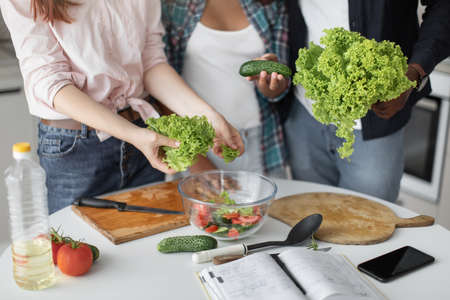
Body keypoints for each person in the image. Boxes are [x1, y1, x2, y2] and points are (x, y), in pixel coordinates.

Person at [0, 0, 244, 213]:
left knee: (148, 247)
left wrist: (208, 116)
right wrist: (135, 135)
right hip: (77, 149)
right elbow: (48, 81)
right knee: (79, 253)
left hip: (143, 136)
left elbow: (151, 62)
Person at [284, 0, 450, 202]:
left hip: (375, 124)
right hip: (303, 114)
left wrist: (414, 71)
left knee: (369, 224)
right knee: (312, 217)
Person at [161, 0, 289, 178]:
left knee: (270, 205)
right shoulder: (176, 7)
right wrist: (196, 160)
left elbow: (280, 87)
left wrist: (271, 84)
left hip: (260, 140)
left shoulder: (270, 6)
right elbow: (162, 89)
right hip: (198, 143)